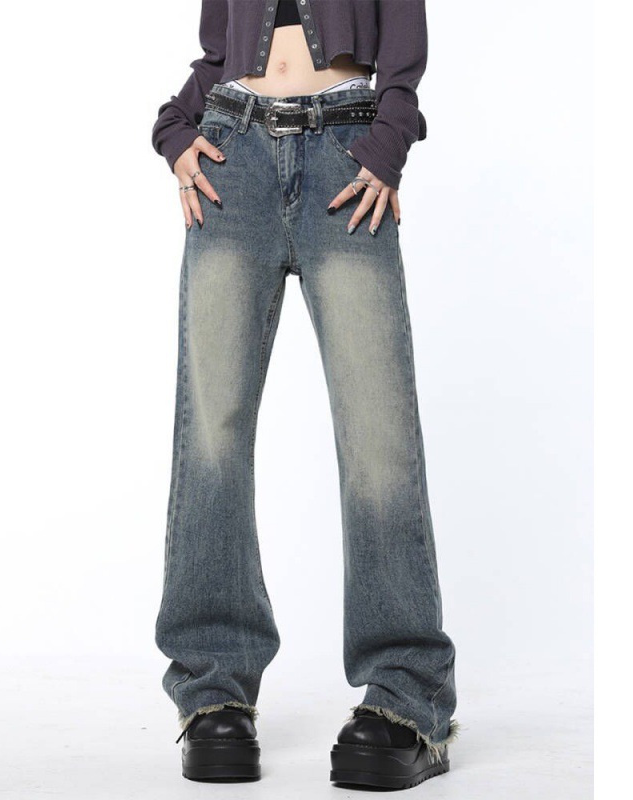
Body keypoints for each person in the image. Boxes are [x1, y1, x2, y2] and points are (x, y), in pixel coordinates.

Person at [150, 0, 459, 789]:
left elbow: (403, 57)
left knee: (378, 435)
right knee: (212, 436)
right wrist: (177, 132)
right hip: (233, 159)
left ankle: (408, 697)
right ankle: (212, 691)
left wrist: (387, 143)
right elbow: (217, 54)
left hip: (345, 156)